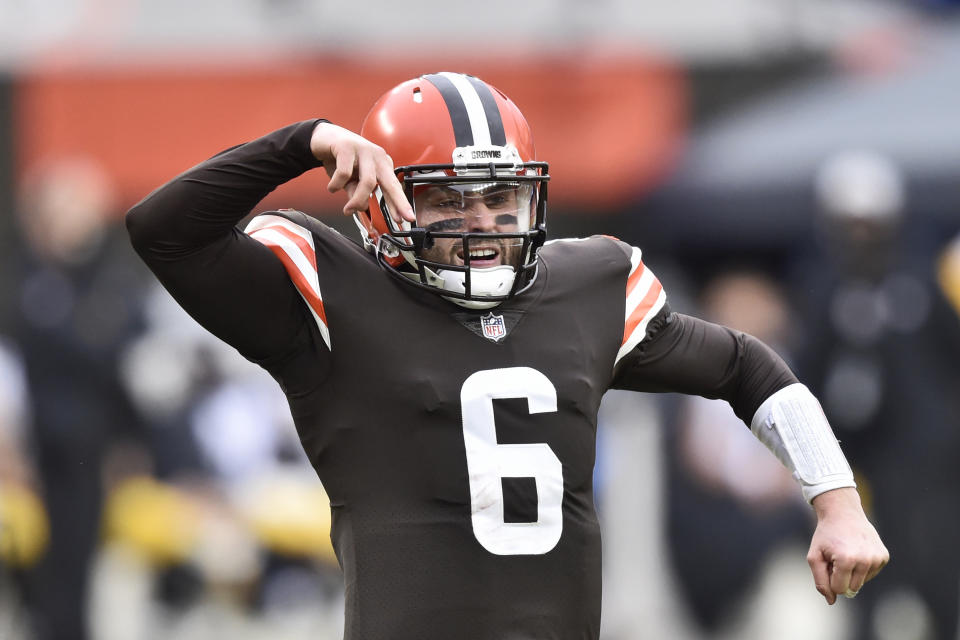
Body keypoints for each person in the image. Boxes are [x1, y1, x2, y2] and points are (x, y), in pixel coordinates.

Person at [126, 72, 888, 639]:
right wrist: (303, 141)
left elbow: (745, 365)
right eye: (450, 200)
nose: (482, 221)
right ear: (380, 198)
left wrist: (837, 499)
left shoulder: (587, 286)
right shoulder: (327, 297)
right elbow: (163, 229)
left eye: (498, 197)